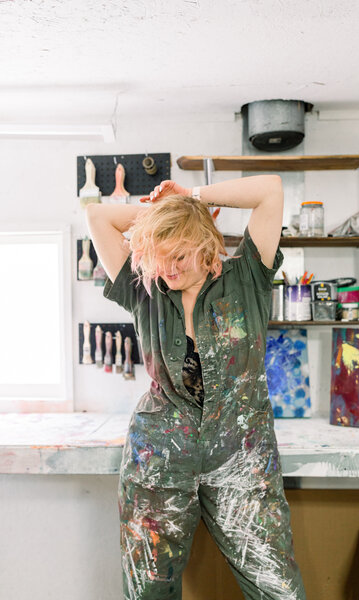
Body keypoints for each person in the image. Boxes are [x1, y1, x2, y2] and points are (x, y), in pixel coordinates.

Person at [86, 175, 306, 600]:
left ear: (206, 245)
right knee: (149, 593)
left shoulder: (249, 277)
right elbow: (98, 215)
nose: (166, 268)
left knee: (279, 590)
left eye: (179, 254)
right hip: (159, 458)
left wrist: (191, 199)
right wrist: (165, 214)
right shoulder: (144, 290)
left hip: (242, 456)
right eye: (157, 256)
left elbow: (270, 191)